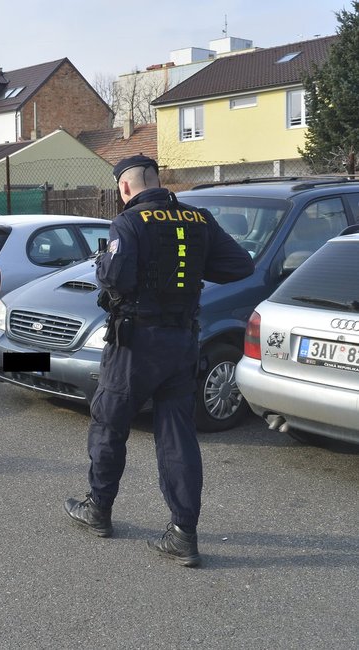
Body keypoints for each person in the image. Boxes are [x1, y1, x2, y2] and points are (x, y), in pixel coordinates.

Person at [63, 155, 253, 567]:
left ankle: (99, 509)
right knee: (176, 434)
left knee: (109, 423)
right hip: (183, 340)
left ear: (125, 188)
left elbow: (114, 278)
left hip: (135, 344)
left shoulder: (128, 223)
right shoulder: (200, 219)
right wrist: (194, 270)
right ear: (156, 179)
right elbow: (240, 265)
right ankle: (183, 534)